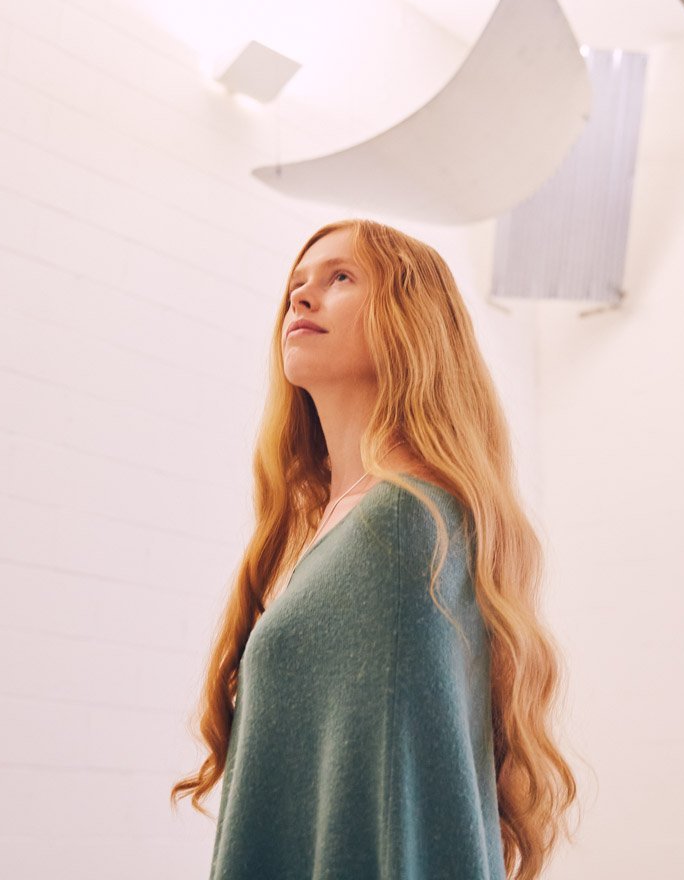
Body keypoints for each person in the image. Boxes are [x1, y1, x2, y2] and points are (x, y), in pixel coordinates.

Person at [170, 218, 580, 879]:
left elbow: (398, 802)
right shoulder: (346, 526)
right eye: (296, 286)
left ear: (411, 319)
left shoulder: (407, 526)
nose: (301, 299)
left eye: (340, 278)